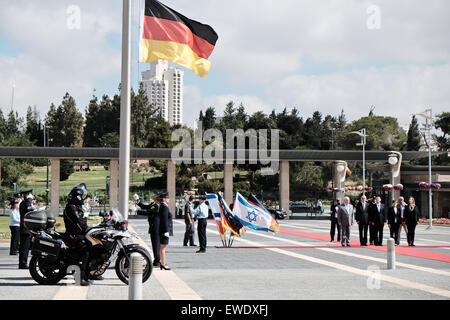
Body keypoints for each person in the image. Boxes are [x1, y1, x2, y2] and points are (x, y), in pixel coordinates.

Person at [63, 183, 92, 285]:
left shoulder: (75, 206)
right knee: (85, 251)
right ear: (77, 197)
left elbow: (82, 222)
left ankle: (89, 274)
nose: (83, 199)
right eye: (82, 197)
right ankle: (79, 278)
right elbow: (80, 222)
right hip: (73, 236)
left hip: (76, 234)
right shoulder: (71, 207)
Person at [135, 193, 161, 267]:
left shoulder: (157, 205)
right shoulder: (153, 204)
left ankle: (157, 261)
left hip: (156, 227)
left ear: (157, 198)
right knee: (154, 244)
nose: (153, 196)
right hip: (153, 226)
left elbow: (148, 212)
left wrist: (137, 211)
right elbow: (145, 207)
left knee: (156, 244)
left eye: (155, 196)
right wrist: (138, 201)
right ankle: (157, 259)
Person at [18, 189, 35, 269]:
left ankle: (23, 263)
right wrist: (29, 199)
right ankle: (23, 263)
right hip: (25, 228)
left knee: (25, 247)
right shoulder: (25, 203)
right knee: (24, 247)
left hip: (25, 228)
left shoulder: (24, 203)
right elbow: (29, 208)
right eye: (28, 194)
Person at [158, 192, 173, 270]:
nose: (168, 199)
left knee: (163, 247)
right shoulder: (164, 207)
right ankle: (163, 264)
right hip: (164, 230)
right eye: (167, 198)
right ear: (164, 199)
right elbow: (164, 220)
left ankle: (162, 262)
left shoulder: (163, 206)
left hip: (163, 230)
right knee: (163, 247)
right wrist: (166, 231)